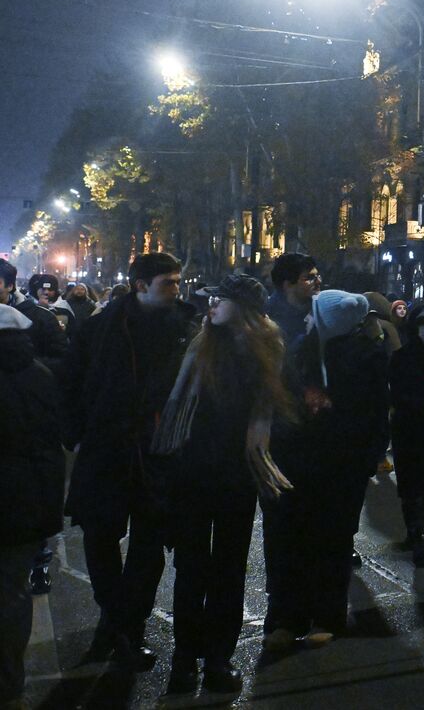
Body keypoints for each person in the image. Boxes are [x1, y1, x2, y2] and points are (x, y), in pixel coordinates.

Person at [151, 275, 293, 696]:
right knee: (191, 569)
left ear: (244, 306)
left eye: (220, 299)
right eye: (210, 298)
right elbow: (177, 402)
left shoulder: (268, 348)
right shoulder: (200, 343)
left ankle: (218, 658)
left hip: (237, 473)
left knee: (229, 569)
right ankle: (183, 660)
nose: (210, 304)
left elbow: (269, 411)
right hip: (193, 471)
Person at [65, 253, 197, 671]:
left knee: (149, 545)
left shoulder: (186, 330)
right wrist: (76, 436)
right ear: (141, 285)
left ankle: (127, 627)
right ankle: (117, 618)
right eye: (168, 283)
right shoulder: (100, 329)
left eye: (178, 282)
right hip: (107, 450)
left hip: (158, 453)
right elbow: (72, 382)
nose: (177, 290)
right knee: (101, 537)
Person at [263, 290, 389, 649]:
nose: (306, 318)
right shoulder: (298, 353)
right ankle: (286, 618)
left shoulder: (365, 359)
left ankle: (326, 616)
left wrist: (360, 456)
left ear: (329, 321)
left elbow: (375, 418)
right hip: (296, 463)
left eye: (314, 313)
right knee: (290, 543)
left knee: (331, 545)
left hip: (339, 470)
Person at [0, 304, 63, 707]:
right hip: (23, 503)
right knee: (11, 594)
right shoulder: (40, 376)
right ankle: (9, 683)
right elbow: (51, 448)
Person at [389, 303, 424, 566]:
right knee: (410, 482)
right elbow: (396, 391)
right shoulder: (401, 356)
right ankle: (417, 531)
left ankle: (417, 530)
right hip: (408, 427)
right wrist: (417, 405)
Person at [0, 260, 65, 366]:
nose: (46, 292)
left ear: (10, 286)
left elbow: (61, 358)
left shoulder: (42, 318)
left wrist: (28, 365)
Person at [265, 253, 320, 347]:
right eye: (309, 278)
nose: (318, 281)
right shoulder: (269, 320)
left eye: (318, 276)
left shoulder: (320, 311)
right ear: (288, 285)